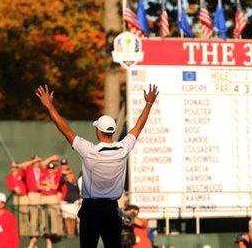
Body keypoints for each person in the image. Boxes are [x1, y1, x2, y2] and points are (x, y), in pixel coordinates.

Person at [35, 84, 159, 247]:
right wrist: (149, 104)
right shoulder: (122, 149)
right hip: (111, 209)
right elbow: (139, 126)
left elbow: (65, 130)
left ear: (98, 132)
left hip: (91, 210)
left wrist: (50, 106)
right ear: (112, 132)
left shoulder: (90, 151)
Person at [39, 161, 64, 240]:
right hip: (44, 196)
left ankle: (55, 232)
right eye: (49, 169)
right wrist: (48, 185)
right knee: (42, 214)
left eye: (52, 169)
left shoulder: (57, 176)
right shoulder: (44, 175)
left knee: (54, 214)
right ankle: (43, 231)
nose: (50, 171)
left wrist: (46, 183)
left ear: (54, 170)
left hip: (53, 196)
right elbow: (39, 186)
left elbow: (55, 187)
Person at [5, 161, 29, 236]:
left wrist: (19, 166)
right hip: (16, 197)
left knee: (26, 214)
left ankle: (27, 231)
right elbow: (9, 186)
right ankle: (21, 232)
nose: (14, 169)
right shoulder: (9, 177)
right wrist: (14, 189)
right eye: (12, 167)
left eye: (15, 167)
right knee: (18, 216)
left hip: (24, 197)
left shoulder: (21, 173)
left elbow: (26, 166)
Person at [59, 163, 80, 237]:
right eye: (68, 174)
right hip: (66, 203)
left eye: (70, 174)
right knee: (67, 219)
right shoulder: (65, 182)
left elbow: (79, 191)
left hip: (74, 203)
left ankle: (72, 233)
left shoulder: (76, 183)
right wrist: (65, 173)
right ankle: (69, 233)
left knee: (73, 218)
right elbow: (60, 179)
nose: (69, 175)